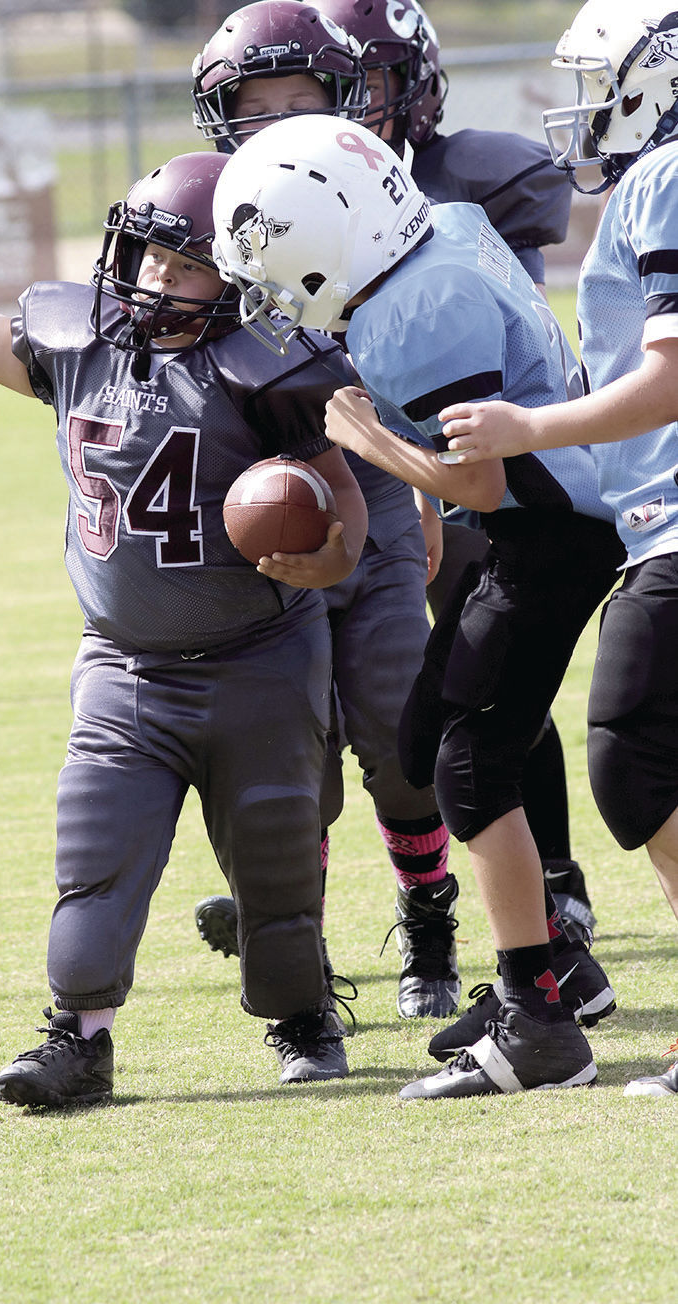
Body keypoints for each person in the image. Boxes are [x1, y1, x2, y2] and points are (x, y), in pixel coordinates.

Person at [0, 152, 370, 1104]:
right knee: (95, 855)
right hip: (125, 662)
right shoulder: (80, 340)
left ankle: (300, 1012)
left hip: (260, 657)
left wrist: (330, 558)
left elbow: (344, 501)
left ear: (239, 277)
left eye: (186, 264)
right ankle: (78, 1039)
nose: (158, 277)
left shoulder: (268, 366)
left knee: (276, 859)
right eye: (149, 255)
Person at [212, 113, 621, 1099]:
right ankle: (561, 969)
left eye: (270, 254)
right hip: (550, 516)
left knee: (468, 766)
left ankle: (539, 1019)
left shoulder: (407, 316)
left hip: (552, 533)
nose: (266, 284)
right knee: (432, 726)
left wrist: (363, 441)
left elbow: (478, 485)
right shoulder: (441, 229)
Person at [304, 0, 598, 946]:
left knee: (490, 716)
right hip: (442, 469)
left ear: (414, 83)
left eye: (364, 83)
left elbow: (480, 378)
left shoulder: (466, 191)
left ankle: (551, 902)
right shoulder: (313, 187)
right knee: (445, 718)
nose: (347, 106)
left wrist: (382, 440)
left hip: (508, 478)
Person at [191, 0, 462, 1018]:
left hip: (378, 479)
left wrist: (420, 473)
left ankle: (427, 909)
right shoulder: (196, 206)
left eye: (294, 99)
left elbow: (415, 353)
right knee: (285, 749)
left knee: (399, 721)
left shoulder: (372, 193)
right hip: (262, 497)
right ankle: (294, 943)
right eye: (248, 106)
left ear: (343, 100)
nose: (271, 122)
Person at [437, 0, 678, 1096]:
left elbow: (670, 377)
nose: (582, 105)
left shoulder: (669, 174)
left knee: (634, 752)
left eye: (598, 81)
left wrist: (533, 420)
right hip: (651, 522)